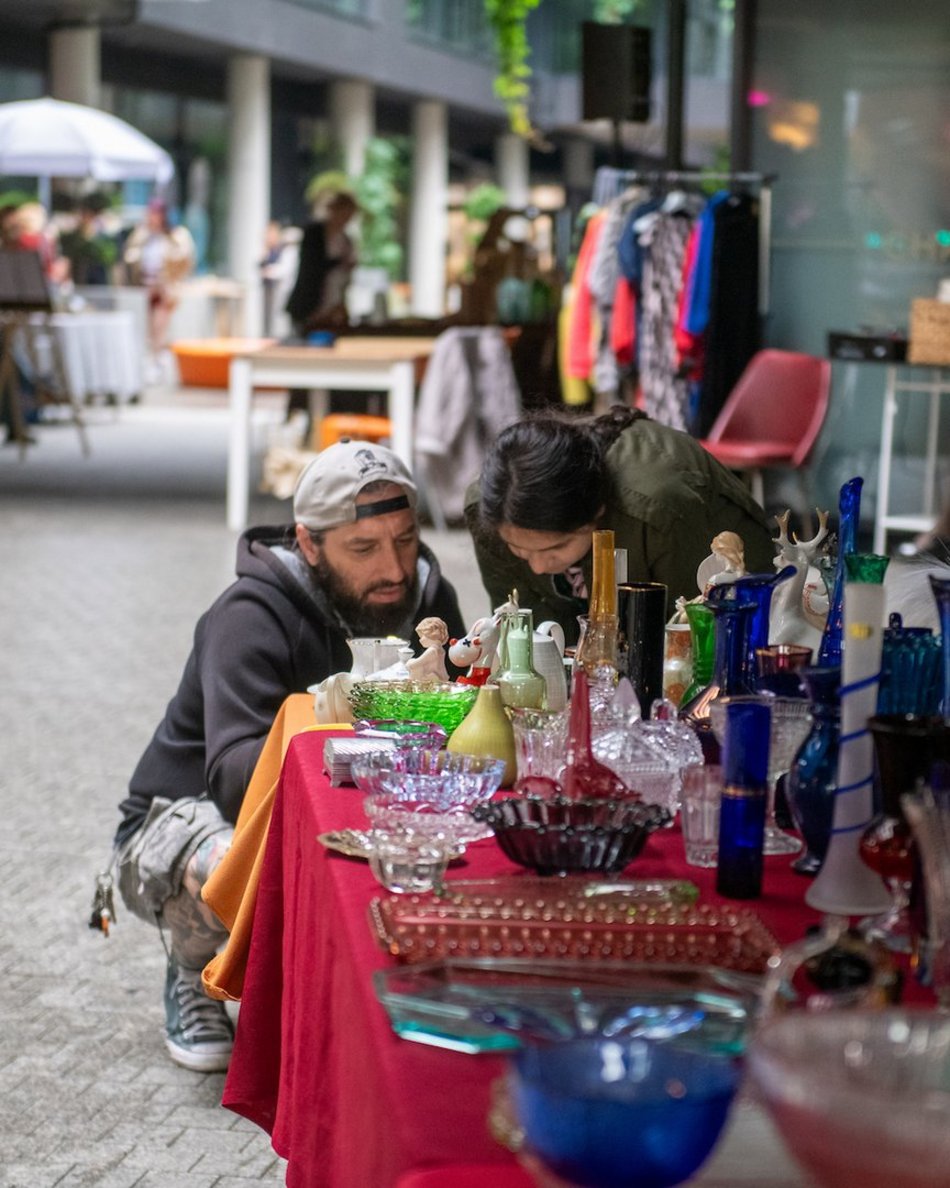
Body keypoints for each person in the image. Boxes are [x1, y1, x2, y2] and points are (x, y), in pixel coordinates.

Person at [113, 440, 465, 1072]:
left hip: (340, 798)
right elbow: (233, 781)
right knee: (240, 856)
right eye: (363, 549)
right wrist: (360, 732)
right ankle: (193, 969)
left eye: (406, 539)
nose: (393, 567)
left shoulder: (425, 600)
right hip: (188, 821)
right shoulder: (247, 615)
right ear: (308, 543)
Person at [465, 405, 776, 643]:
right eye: (518, 549)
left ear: (597, 511)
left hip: (718, 583)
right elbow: (522, 627)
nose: (538, 566)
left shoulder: (659, 511)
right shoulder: (489, 509)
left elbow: (692, 632)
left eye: (556, 547)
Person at [122, 197, 195, 372]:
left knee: (159, 325)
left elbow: (184, 261)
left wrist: (167, 280)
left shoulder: (176, 236)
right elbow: (130, 258)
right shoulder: (142, 236)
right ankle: (152, 360)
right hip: (145, 288)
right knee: (148, 328)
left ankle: (157, 360)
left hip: (165, 289)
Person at [284, 188, 359, 334]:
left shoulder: (346, 239)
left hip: (333, 305)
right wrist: (339, 262)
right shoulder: (314, 233)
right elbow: (311, 266)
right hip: (309, 303)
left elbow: (345, 277)